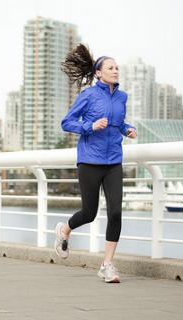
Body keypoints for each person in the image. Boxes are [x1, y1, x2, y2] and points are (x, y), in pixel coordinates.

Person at [55, 44, 137, 283]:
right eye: (110, 67)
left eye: (117, 68)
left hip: (113, 161)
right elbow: (67, 122)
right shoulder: (88, 95)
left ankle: (107, 264)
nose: (115, 70)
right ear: (99, 73)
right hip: (90, 160)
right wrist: (90, 126)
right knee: (89, 213)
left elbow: (118, 122)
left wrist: (127, 128)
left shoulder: (122, 97)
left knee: (115, 212)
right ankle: (65, 230)